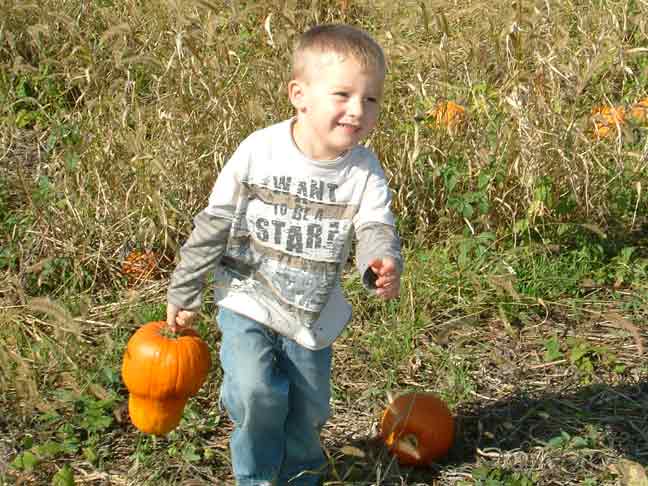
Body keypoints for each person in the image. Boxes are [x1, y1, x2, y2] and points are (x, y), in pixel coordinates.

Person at [166, 23, 403, 486]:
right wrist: (186, 287)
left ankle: (300, 475)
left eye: (371, 99)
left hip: (311, 315)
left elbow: (375, 225)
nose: (358, 110)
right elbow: (214, 222)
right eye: (343, 95)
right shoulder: (260, 151)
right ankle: (255, 476)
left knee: (308, 407)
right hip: (247, 298)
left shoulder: (363, 169)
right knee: (256, 393)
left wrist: (380, 261)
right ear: (300, 95)